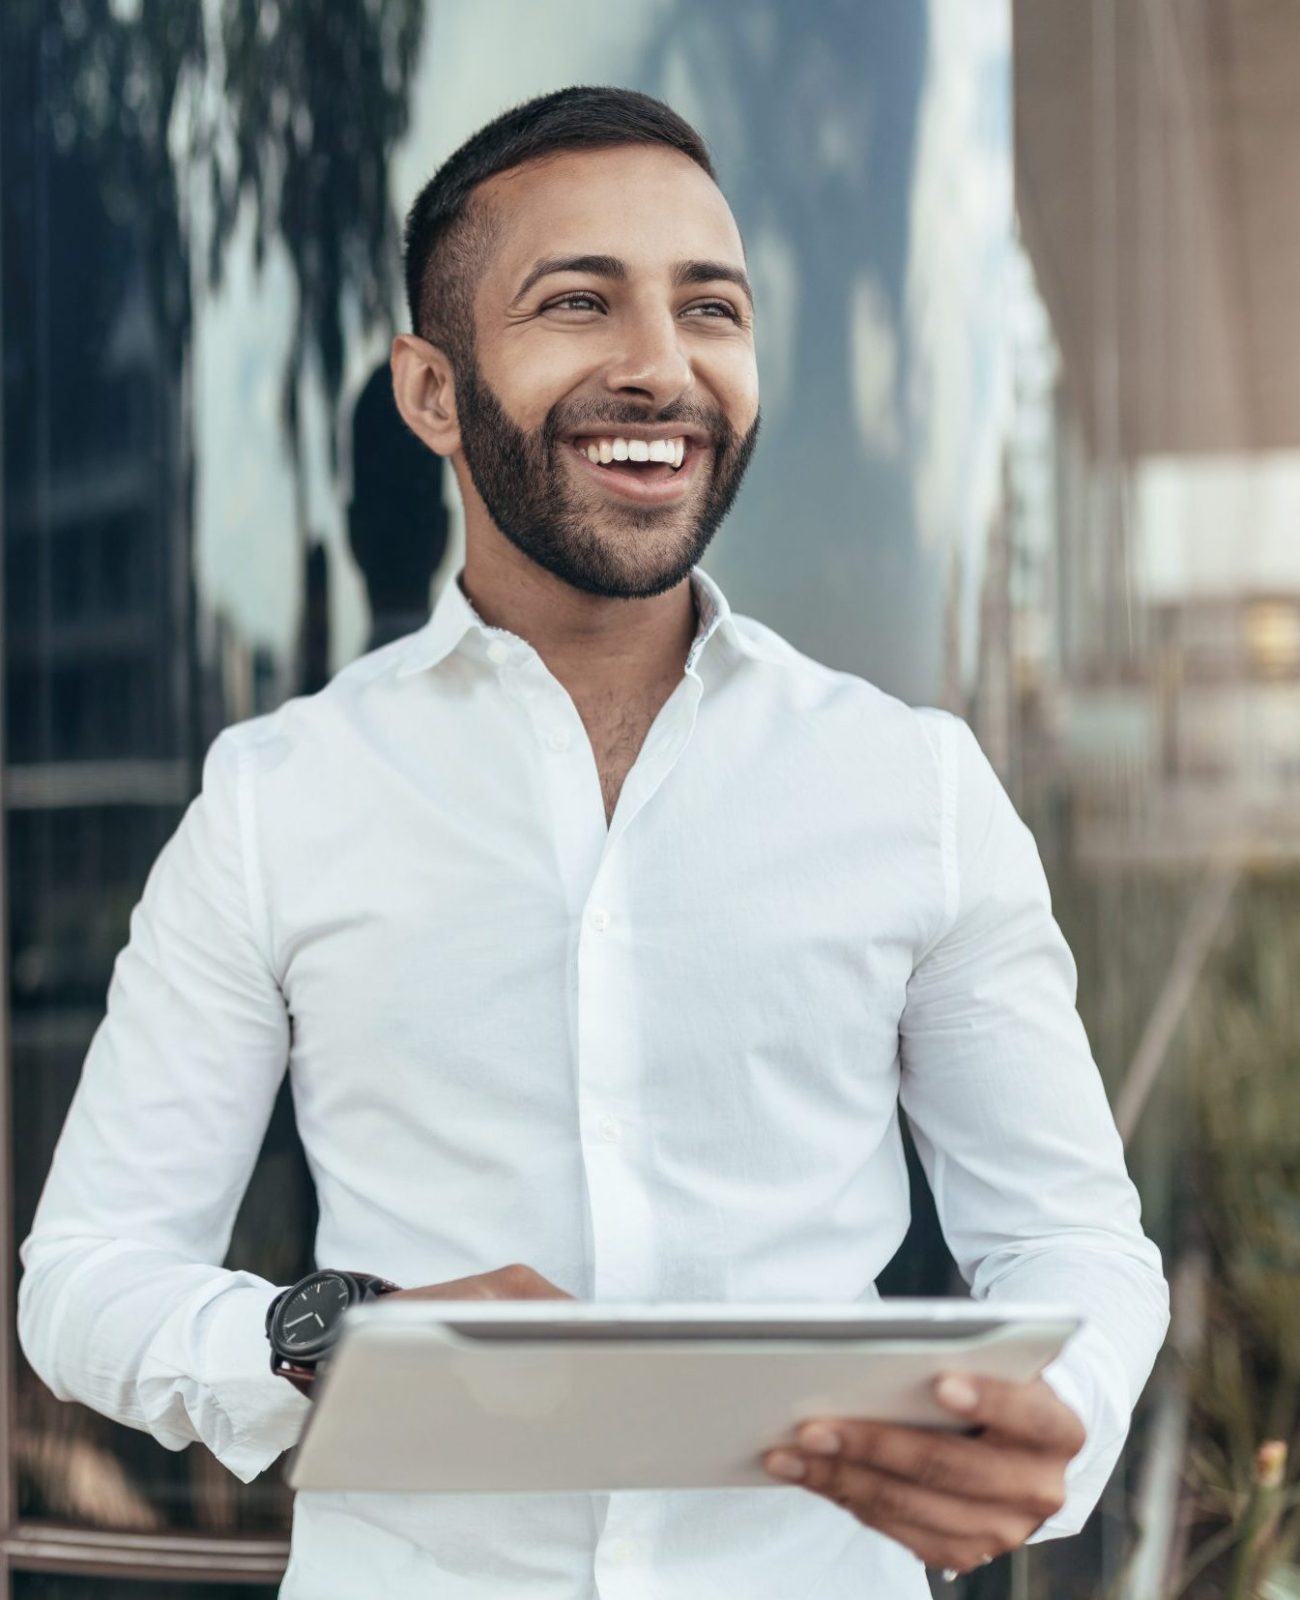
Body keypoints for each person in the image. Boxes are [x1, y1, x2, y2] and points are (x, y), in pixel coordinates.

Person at [18, 85, 1169, 1598]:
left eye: (712, 309)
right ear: (432, 394)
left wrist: (1060, 1421)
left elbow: (1077, 1238)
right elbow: (85, 1279)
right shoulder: (274, 800)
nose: (659, 367)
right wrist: (333, 1331)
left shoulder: (918, 787)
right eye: (579, 304)